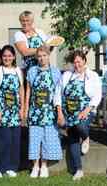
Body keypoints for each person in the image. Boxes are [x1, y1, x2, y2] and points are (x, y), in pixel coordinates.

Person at [55, 50, 102, 180]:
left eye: (79, 61)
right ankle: (78, 170)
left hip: (86, 110)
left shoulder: (92, 75)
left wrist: (86, 110)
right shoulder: (66, 75)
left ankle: (86, 137)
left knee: (80, 125)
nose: (77, 64)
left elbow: (97, 95)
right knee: (73, 139)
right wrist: (60, 113)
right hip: (68, 112)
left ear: (84, 61)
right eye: (74, 62)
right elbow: (58, 94)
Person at [25, 45, 63, 178]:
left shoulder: (55, 72)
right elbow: (28, 91)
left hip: (49, 111)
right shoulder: (32, 71)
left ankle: (44, 166)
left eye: (44, 55)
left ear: (48, 56)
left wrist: (59, 112)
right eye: (39, 56)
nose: (42, 58)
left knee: (48, 138)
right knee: (34, 139)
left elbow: (58, 93)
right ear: (36, 57)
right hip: (35, 110)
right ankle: (35, 165)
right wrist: (25, 109)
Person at [0, 45, 24, 178]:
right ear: (1, 57)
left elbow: (21, 90)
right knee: (3, 141)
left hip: (15, 111)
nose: (7, 58)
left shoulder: (18, 71)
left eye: (10, 56)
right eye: (4, 56)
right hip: (2, 111)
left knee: (14, 141)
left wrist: (22, 109)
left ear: (14, 57)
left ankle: (12, 167)